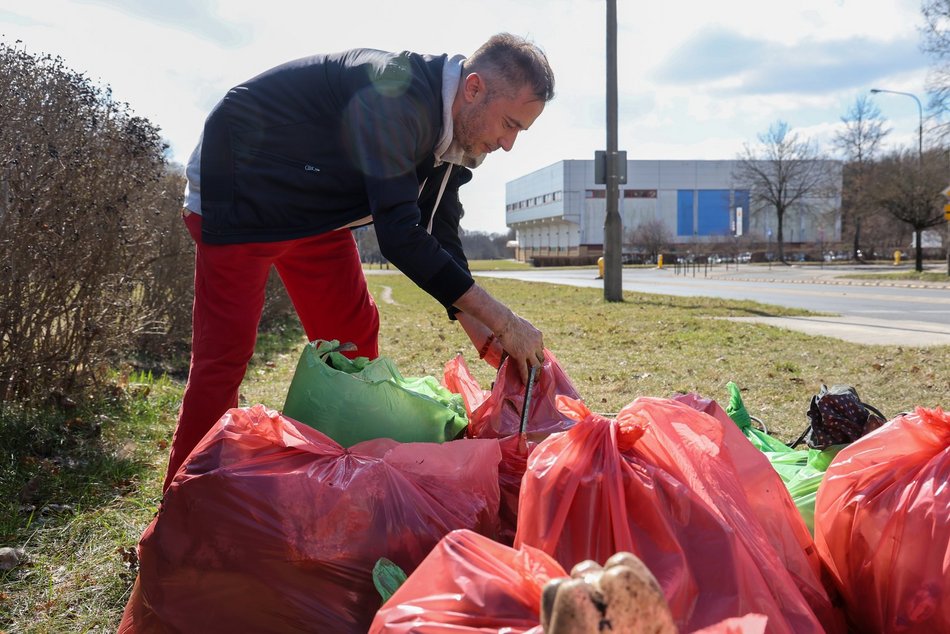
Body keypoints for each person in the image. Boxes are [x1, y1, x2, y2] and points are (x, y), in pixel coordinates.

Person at [163, 33, 556, 491]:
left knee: (353, 335)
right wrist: (505, 321)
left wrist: (481, 330)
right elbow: (400, 236)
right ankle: (183, 499)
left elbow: (438, 231)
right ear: (473, 88)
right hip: (243, 186)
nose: (508, 144)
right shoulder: (396, 97)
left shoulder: (456, 133)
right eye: (509, 124)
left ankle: (339, 480)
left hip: (313, 209)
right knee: (224, 357)